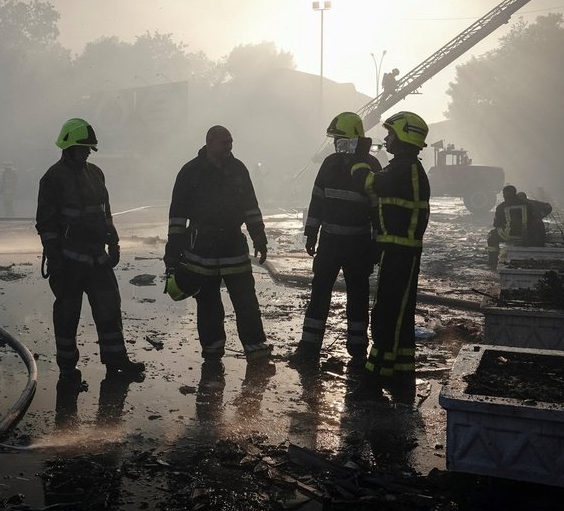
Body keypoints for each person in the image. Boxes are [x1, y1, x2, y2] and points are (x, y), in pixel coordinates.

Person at [36, 118, 145, 382]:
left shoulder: (96, 173)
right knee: (67, 316)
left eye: (88, 148)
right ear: (69, 146)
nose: (86, 152)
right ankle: (67, 369)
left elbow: (105, 213)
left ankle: (117, 362)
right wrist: (55, 258)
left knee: (110, 310)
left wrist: (114, 240)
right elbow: (46, 224)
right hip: (69, 261)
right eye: (82, 147)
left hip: (98, 258)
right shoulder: (53, 177)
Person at [164, 125, 272, 361]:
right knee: (208, 302)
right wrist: (172, 252)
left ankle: (255, 345)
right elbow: (177, 217)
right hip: (202, 248)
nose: (229, 147)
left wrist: (259, 237)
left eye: (231, 142)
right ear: (210, 143)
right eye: (225, 142)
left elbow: (251, 208)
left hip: (233, 244)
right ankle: (212, 349)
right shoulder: (190, 172)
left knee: (246, 299)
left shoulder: (238, 169)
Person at [348, 111, 430, 404]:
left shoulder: (404, 169)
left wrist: (357, 157)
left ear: (405, 136)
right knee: (398, 318)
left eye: (391, 134)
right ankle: (401, 376)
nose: (386, 139)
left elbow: (367, 183)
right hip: (396, 252)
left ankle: (374, 382)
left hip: (401, 254)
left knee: (387, 318)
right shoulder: (404, 167)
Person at [289, 112, 381, 369]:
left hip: (358, 245)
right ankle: (308, 347)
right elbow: (317, 199)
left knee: (358, 295)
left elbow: (377, 210)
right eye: (336, 140)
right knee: (319, 293)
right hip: (329, 242)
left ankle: (358, 350)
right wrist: (311, 232)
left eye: (341, 139)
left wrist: (376, 245)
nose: (336, 144)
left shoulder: (371, 166)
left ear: (354, 139)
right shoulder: (329, 164)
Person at [486, 185, 528, 269]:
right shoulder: (526, 204)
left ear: (505, 195)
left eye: (504, 195)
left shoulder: (502, 207)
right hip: (527, 234)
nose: (504, 196)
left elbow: (496, 224)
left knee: (491, 236)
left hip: (510, 234)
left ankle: (492, 262)